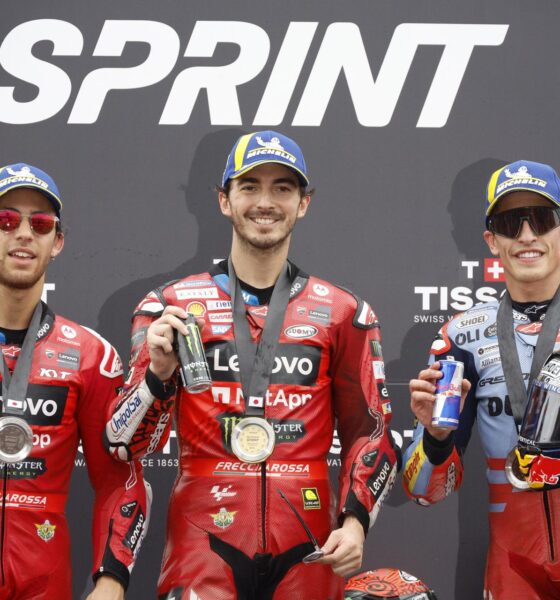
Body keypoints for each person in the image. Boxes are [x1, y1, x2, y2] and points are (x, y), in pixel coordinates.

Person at [106, 130, 398, 599]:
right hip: (202, 541)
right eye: (249, 187)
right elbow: (122, 445)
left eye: (283, 188)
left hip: (309, 544)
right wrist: (157, 377)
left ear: (304, 203)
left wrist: (356, 521)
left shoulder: (346, 311)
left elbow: (372, 430)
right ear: (224, 200)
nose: (266, 202)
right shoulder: (171, 305)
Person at [403, 159, 560, 600]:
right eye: (512, 223)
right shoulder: (461, 336)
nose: (527, 236)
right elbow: (422, 493)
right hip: (513, 568)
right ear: (493, 241)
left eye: (543, 220)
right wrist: (434, 437)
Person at [0, 163, 150, 600]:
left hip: (42, 576)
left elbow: (119, 479)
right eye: (7, 220)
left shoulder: (90, 356)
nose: (24, 233)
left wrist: (111, 579)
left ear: (57, 242)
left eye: (41, 223)